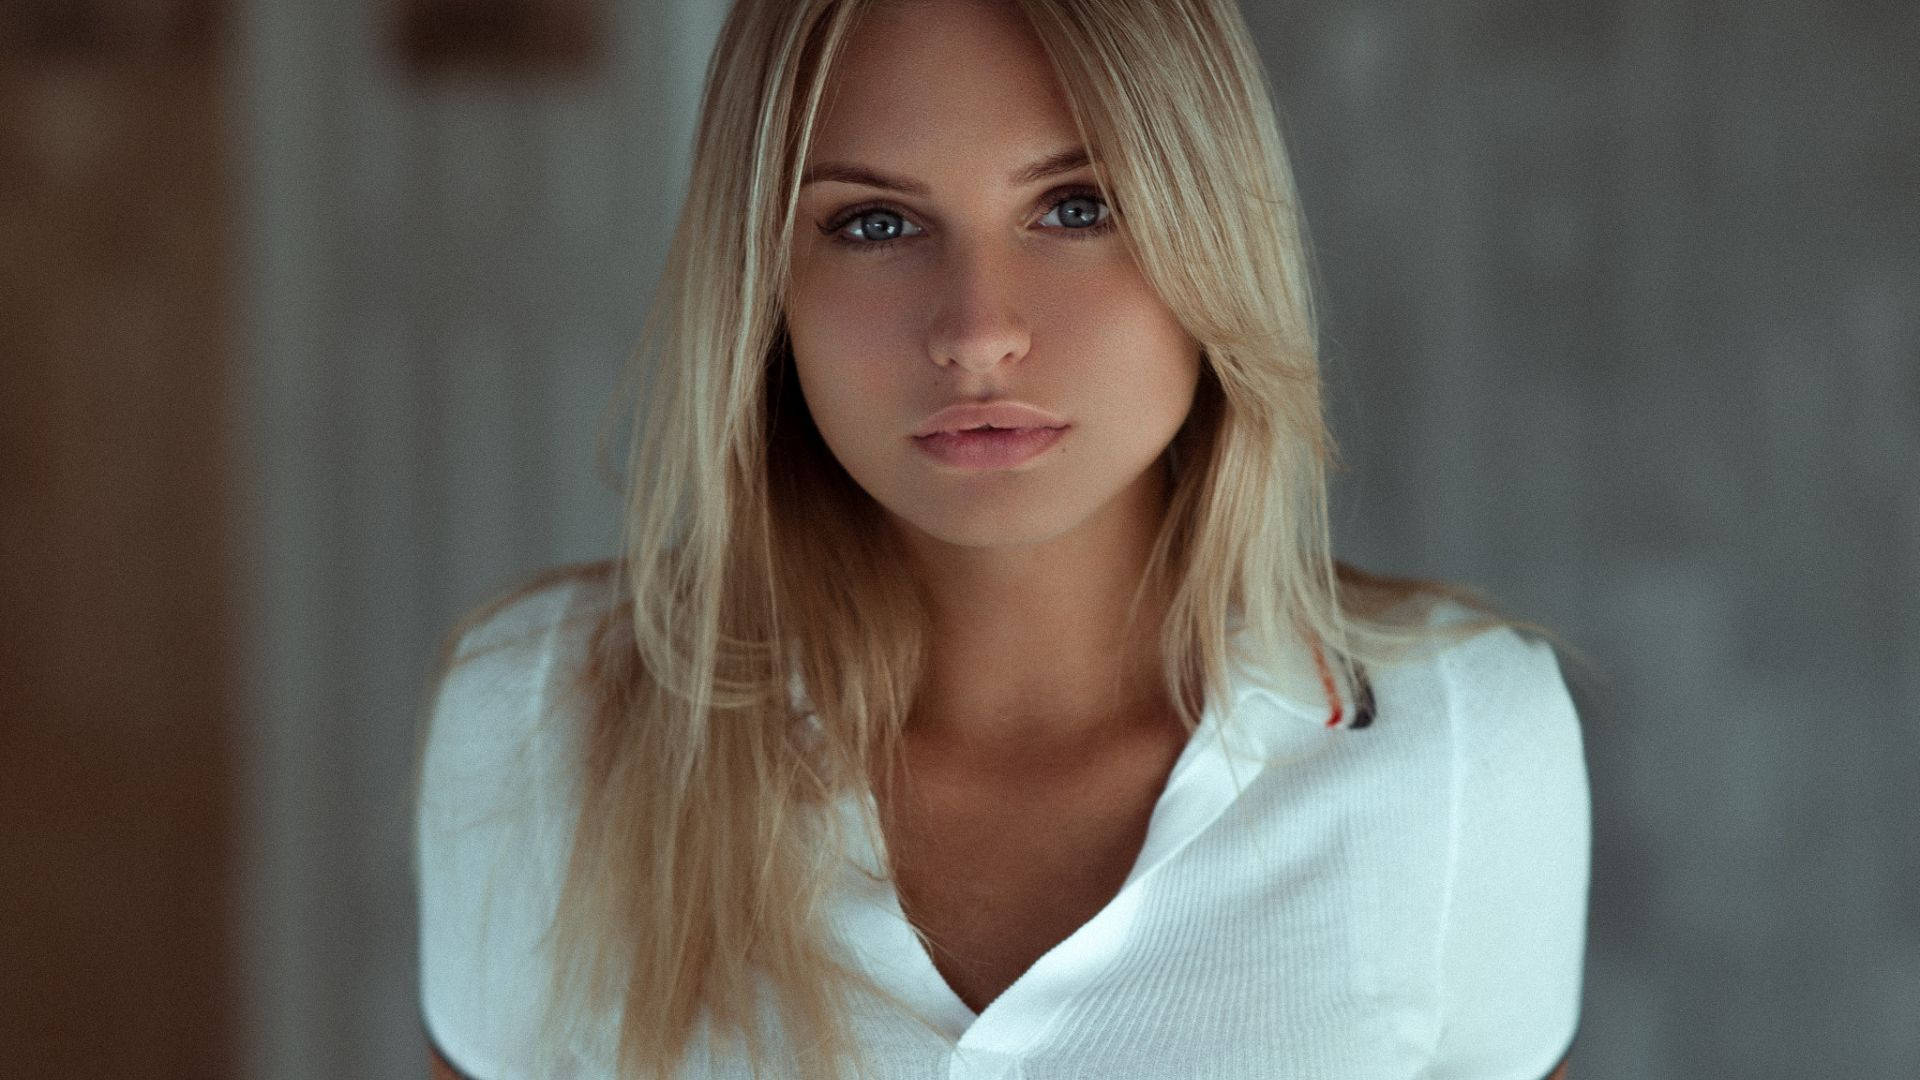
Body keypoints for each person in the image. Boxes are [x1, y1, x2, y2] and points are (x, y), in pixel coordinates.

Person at [413, 0, 1590, 1077]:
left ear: (1215, 233)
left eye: (1078, 208)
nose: (979, 333)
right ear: (766, 281)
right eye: (874, 222)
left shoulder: (1462, 740)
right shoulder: (543, 719)